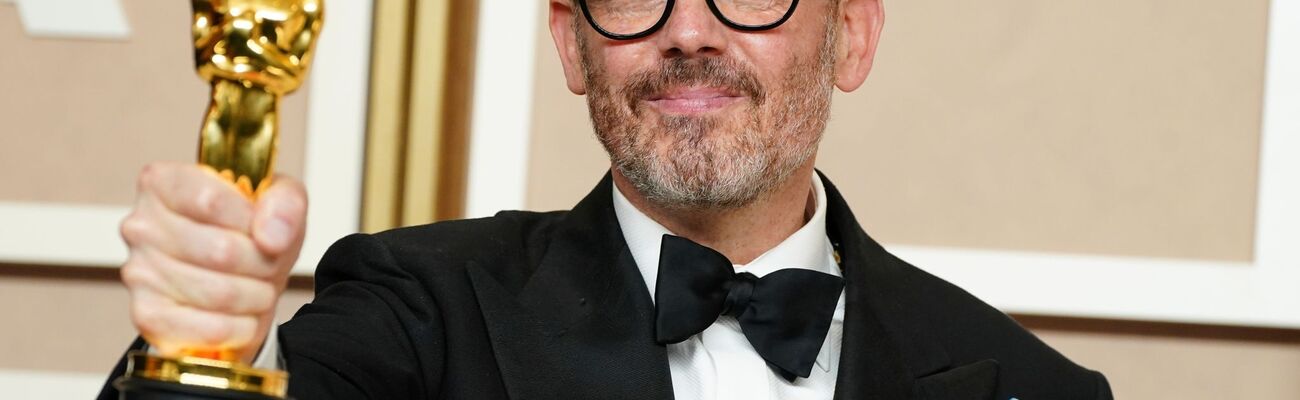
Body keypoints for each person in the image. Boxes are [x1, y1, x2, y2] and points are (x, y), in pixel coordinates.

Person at [98, 0, 1113, 398]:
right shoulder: (416, 307)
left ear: (852, 34)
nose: (687, 32)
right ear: (569, 45)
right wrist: (210, 352)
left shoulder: (1041, 392)